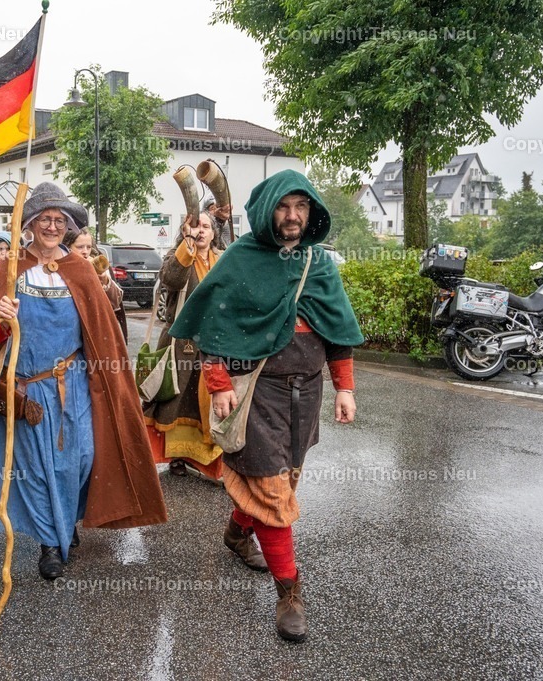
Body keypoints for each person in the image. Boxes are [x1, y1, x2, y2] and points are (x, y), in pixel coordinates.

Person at [0, 182, 167, 580]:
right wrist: (1, 317)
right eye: (44, 218)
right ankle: (51, 544)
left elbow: (101, 333)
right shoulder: (8, 269)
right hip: (26, 388)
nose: (52, 225)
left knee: (79, 460)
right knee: (39, 469)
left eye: (59, 219)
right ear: (28, 224)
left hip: (76, 385)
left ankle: (66, 521)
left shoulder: (80, 270)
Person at [169, 169, 364, 643]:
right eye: (284, 206)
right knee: (274, 490)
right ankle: (289, 594)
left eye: (301, 206)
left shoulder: (318, 264)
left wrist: (345, 386)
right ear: (268, 210)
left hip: (307, 393)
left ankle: (238, 532)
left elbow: (337, 330)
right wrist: (217, 382)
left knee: (282, 478)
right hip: (256, 393)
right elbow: (213, 324)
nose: (293, 215)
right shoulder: (240, 258)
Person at [144, 211, 226, 482]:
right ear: (185, 231)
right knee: (179, 403)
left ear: (214, 233)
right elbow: (172, 279)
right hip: (183, 344)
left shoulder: (224, 259)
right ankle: (179, 457)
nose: (200, 231)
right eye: (195, 226)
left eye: (205, 226)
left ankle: (212, 462)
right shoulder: (177, 256)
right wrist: (186, 248)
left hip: (218, 343)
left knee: (216, 401)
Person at [64, 228, 127, 340]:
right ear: (67, 246)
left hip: (95, 329)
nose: (85, 251)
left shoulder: (98, 264)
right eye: (79, 247)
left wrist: (105, 281)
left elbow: (116, 302)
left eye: (88, 247)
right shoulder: (60, 267)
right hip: (70, 329)